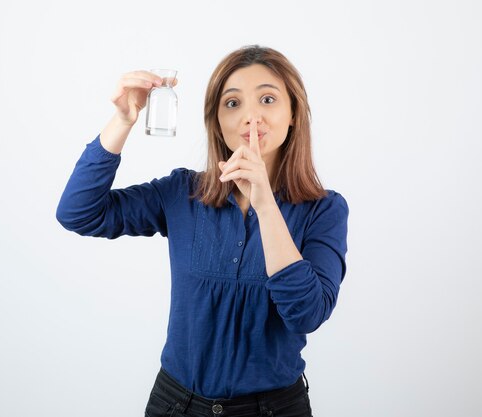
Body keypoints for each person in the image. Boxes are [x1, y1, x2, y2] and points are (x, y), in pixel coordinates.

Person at [56, 45, 349, 417]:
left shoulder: (324, 209)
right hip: (176, 404)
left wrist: (265, 204)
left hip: (274, 408)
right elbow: (78, 212)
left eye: (268, 99)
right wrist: (123, 120)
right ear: (216, 121)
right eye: (232, 103)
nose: (250, 116)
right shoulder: (183, 193)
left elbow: (307, 314)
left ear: (293, 114)